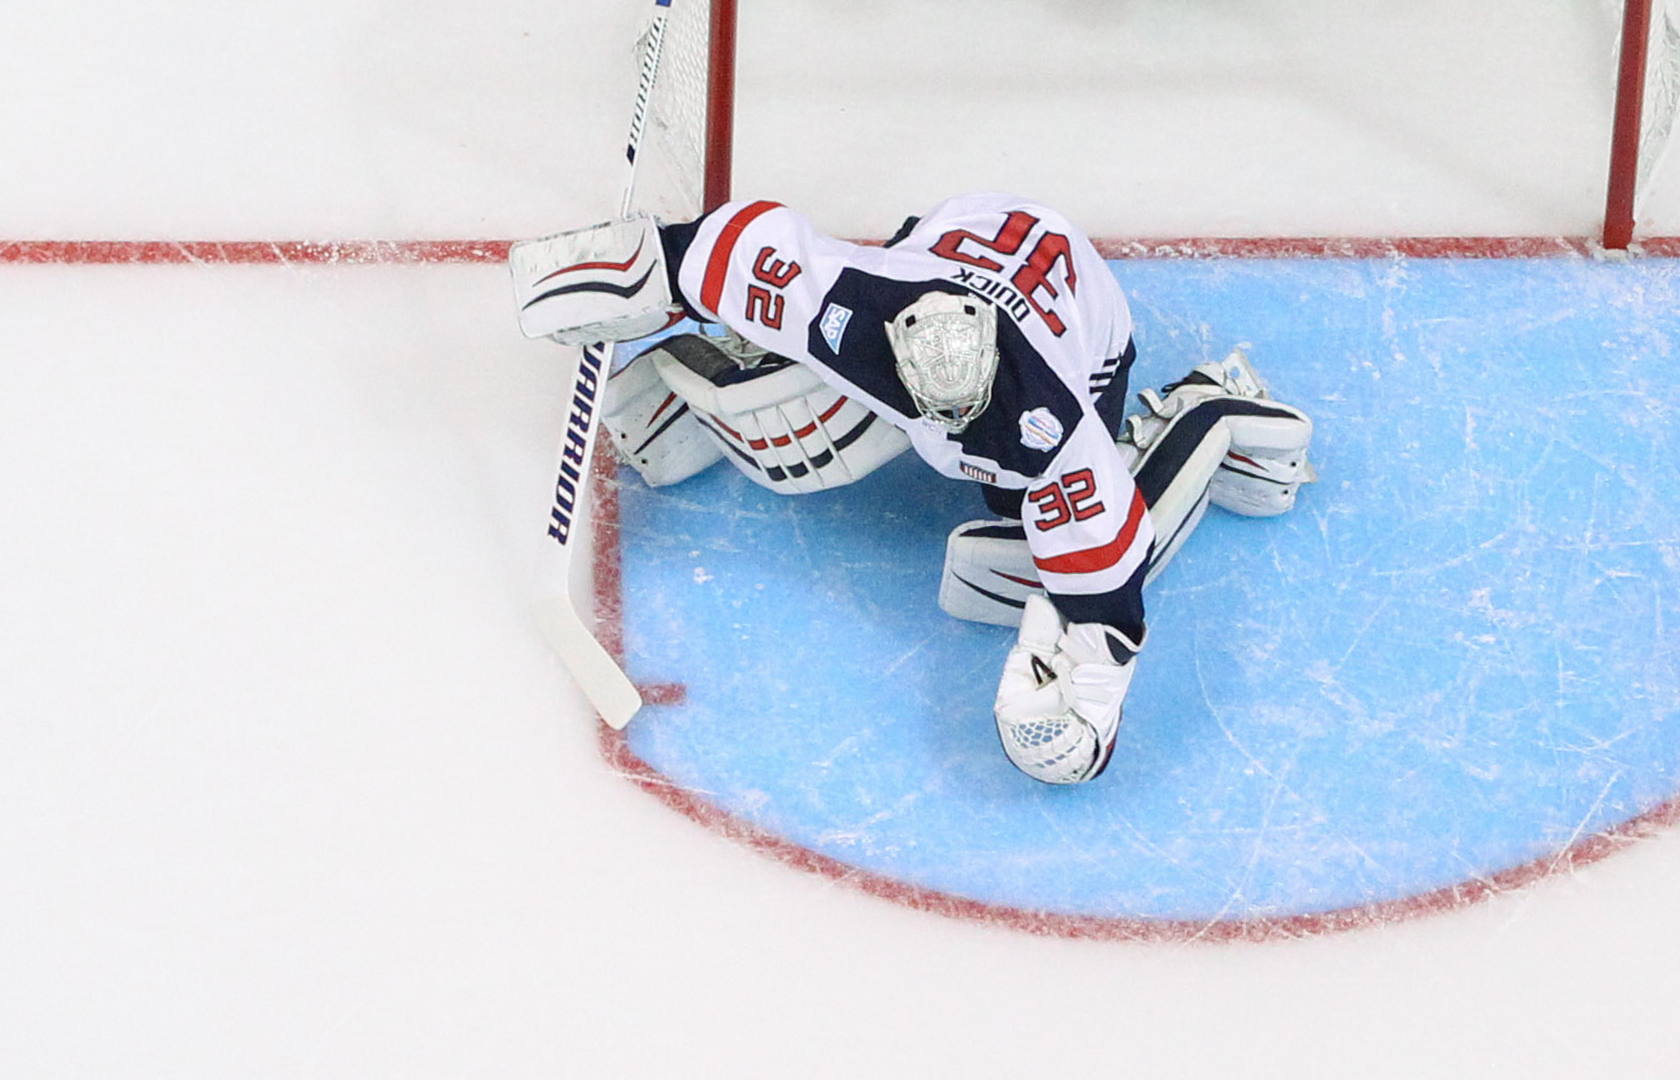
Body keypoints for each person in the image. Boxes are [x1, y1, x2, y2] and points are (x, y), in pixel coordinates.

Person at [513, 192, 1316, 782]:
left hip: (1082, 314)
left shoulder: (1049, 434)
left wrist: (1086, 697)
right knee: (796, 392)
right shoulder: (851, 306)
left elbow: (1113, 584)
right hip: (957, 237)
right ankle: (685, 399)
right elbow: (721, 254)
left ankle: (1206, 414)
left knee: (1022, 523)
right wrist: (629, 270)